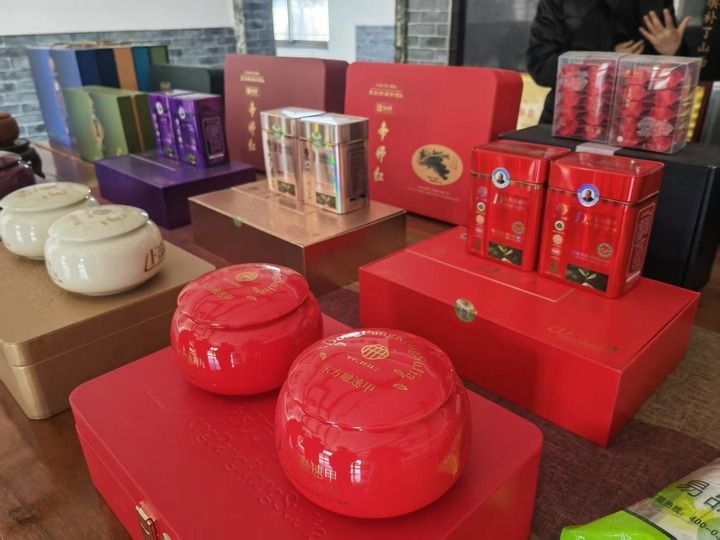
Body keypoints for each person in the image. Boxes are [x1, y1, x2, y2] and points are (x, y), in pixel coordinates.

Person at [527, 0, 691, 123]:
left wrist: (673, 51)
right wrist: (605, 62)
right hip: (571, 119)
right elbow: (540, 66)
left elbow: (678, 82)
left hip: (638, 124)